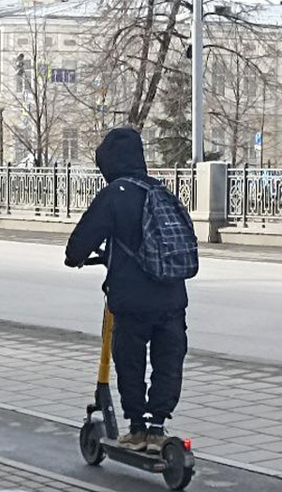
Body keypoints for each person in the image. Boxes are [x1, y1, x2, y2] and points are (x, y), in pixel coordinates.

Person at [64, 127, 191, 453]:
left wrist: (76, 258)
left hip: (132, 299)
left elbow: (80, 243)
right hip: (173, 297)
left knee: (130, 360)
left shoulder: (115, 194)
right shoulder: (161, 191)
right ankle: (157, 426)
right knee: (168, 360)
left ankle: (136, 429)